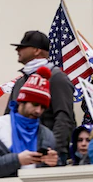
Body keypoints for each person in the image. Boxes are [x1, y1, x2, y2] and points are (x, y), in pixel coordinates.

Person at [6, 31, 75, 162]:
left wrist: (54, 152)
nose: (17, 50)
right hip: (19, 155)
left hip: (46, 156)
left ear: (36, 50)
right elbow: (9, 116)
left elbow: (64, 119)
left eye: (22, 47)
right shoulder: (20, 82)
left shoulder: (57, 78)